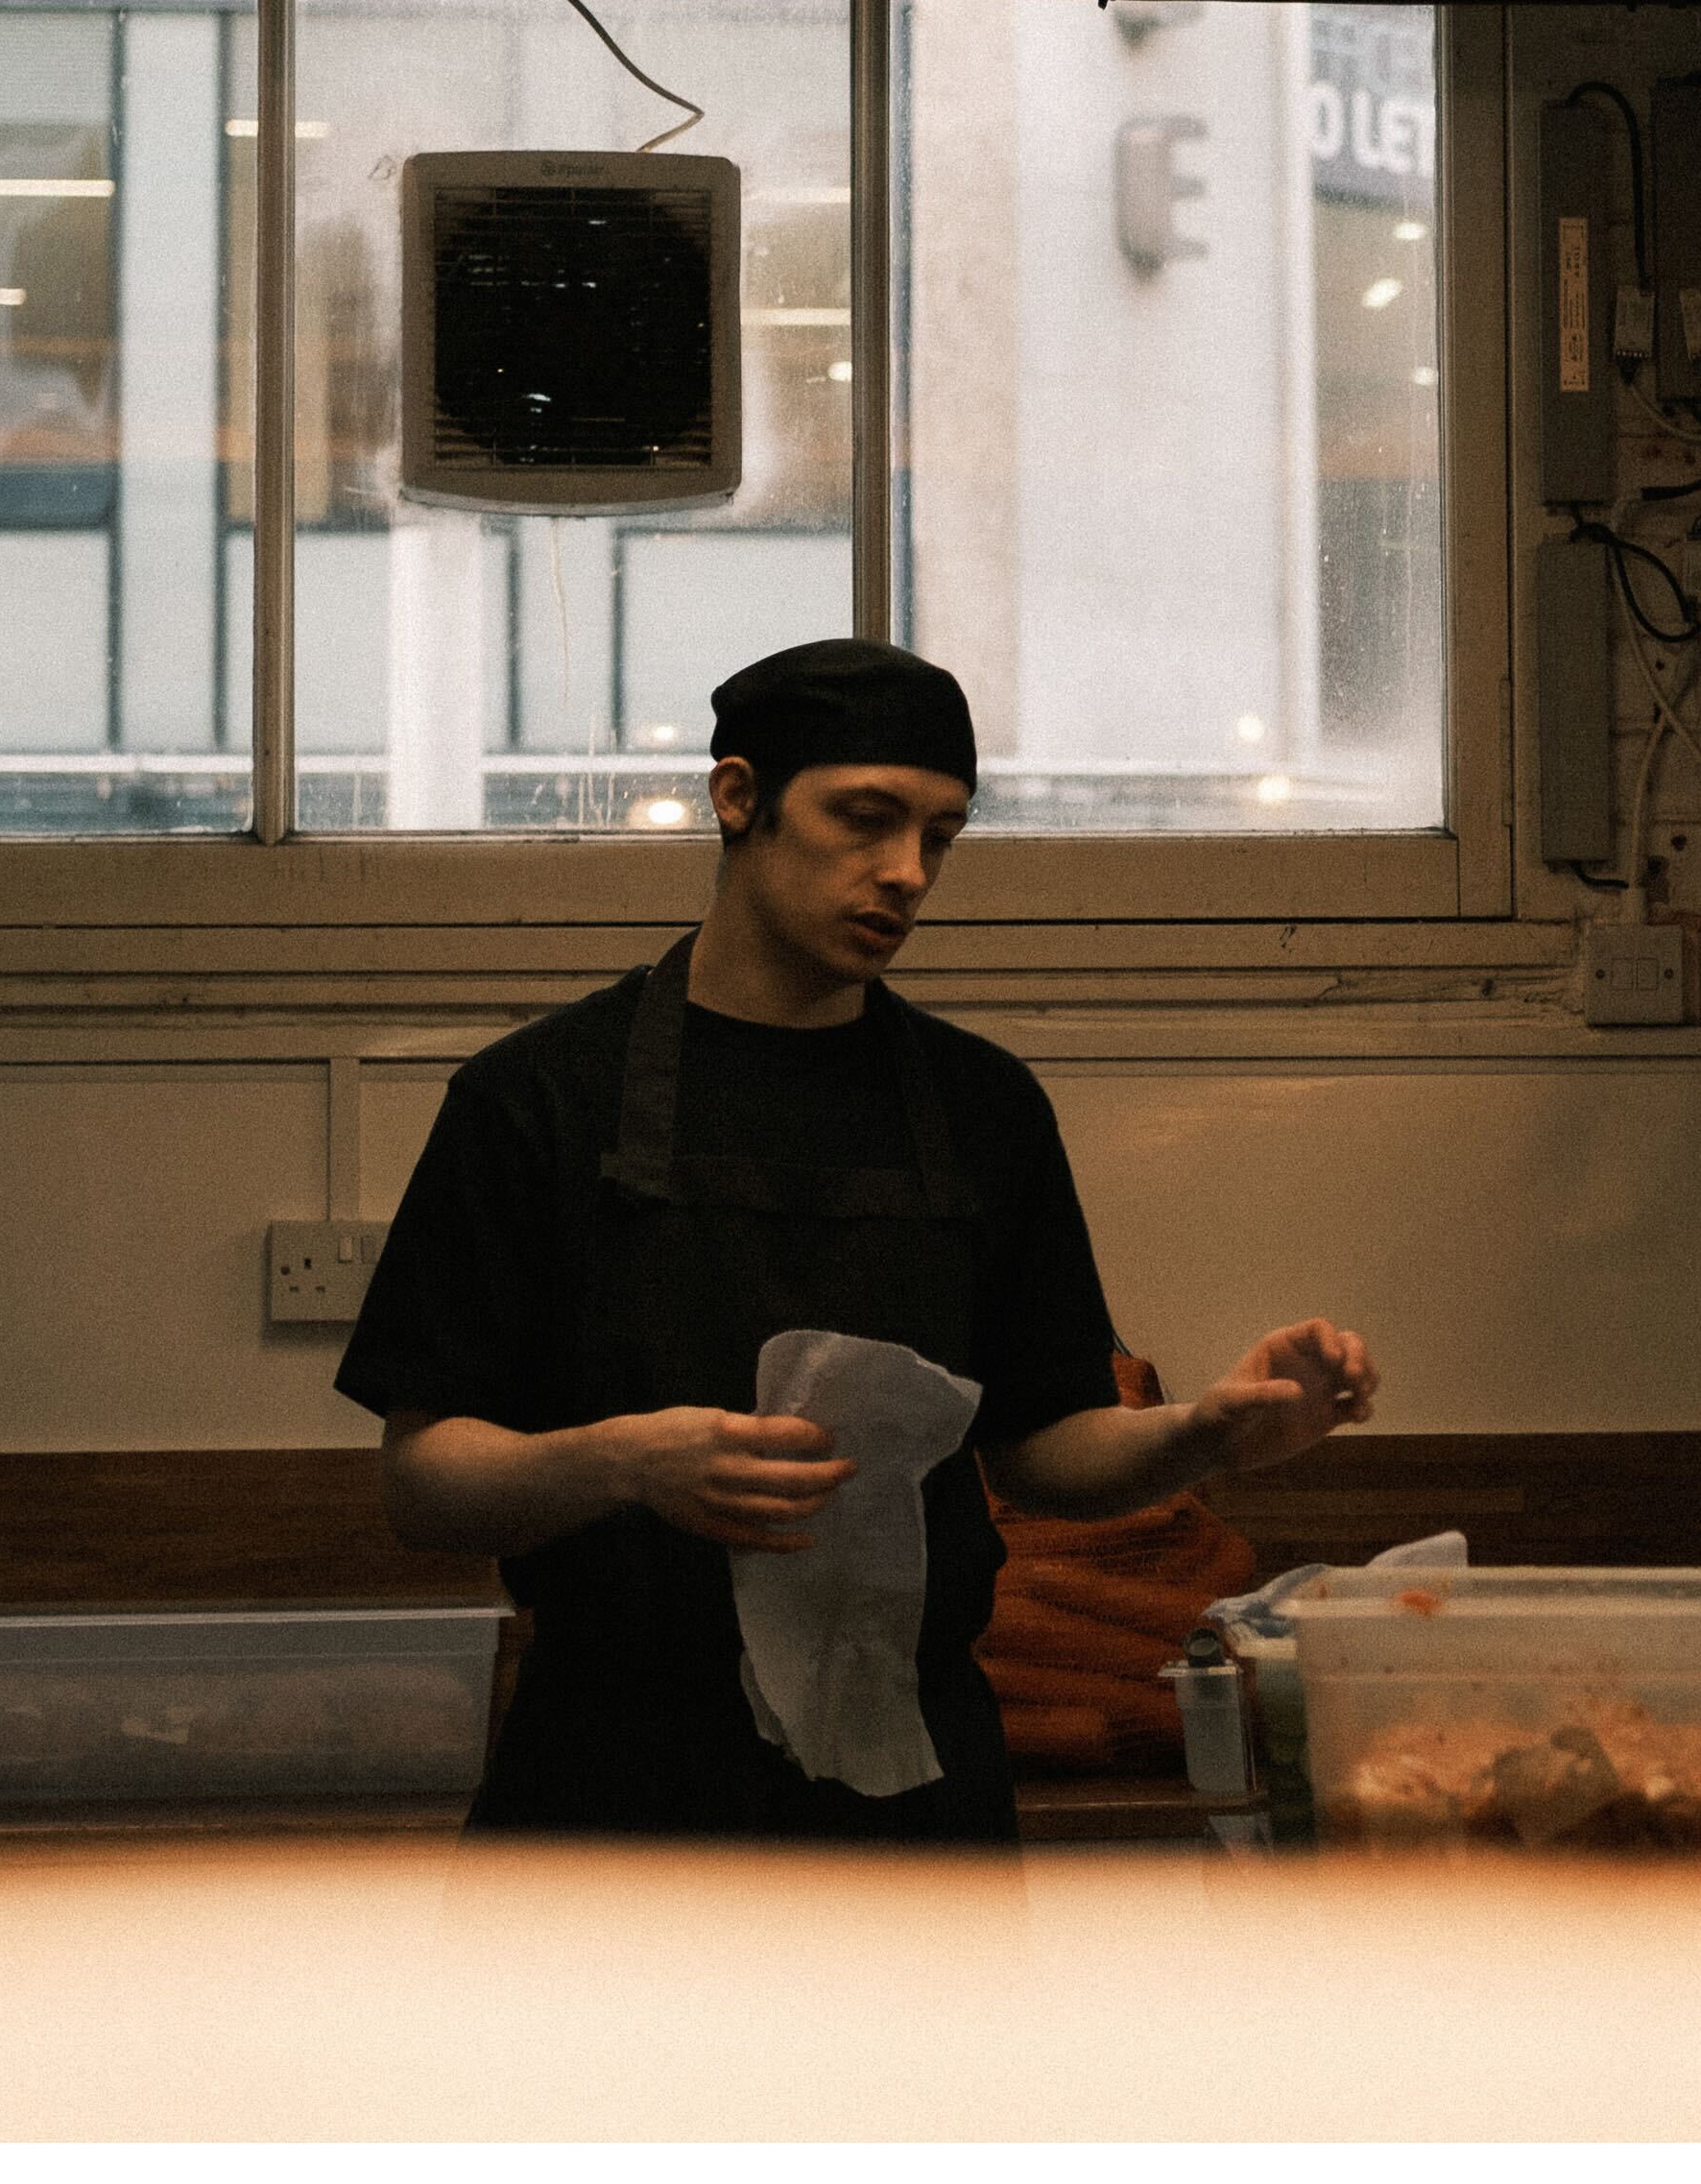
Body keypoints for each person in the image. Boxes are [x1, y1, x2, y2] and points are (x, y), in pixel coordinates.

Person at [334, 636, 1380, 1842]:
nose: (907, 873)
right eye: (865, 820)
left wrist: (1202, 1432)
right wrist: (626, 1461)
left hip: (913, 1781)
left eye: (939, 836)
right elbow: (422, 1482)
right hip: (615, 1779)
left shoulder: (984, 1110)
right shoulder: (536, 1101)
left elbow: (1042, 1451)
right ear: (739, 800)